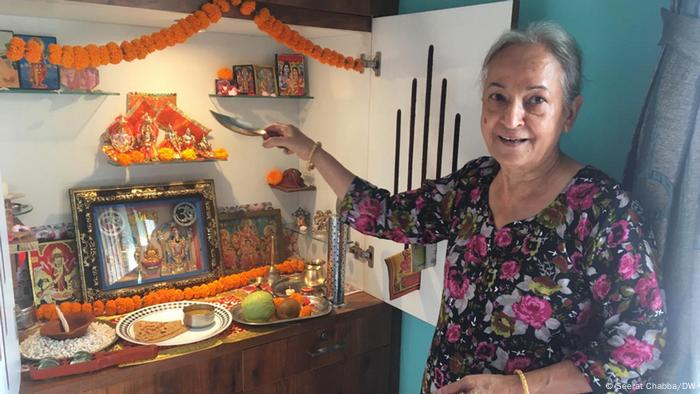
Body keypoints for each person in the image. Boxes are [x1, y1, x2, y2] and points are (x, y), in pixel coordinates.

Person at [261, 22, 666, 394]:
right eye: (498, 96)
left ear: (569, 114)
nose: (511, 118)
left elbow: (639, 348)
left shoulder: (602, 210)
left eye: (536, 100)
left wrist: (517, 387)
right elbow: (386, 214)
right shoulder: (474, 183)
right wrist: (307, 148)